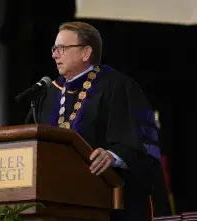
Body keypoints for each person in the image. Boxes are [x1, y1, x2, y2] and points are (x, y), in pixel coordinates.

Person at [26, 21, 165, 221]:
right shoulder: (48, 95)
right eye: (54, 48)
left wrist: (114, 155)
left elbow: (145, 144)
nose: (54, 55)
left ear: (86, 52)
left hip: (107, 207)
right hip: (55, 205)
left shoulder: (118, 86)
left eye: (62, 48)